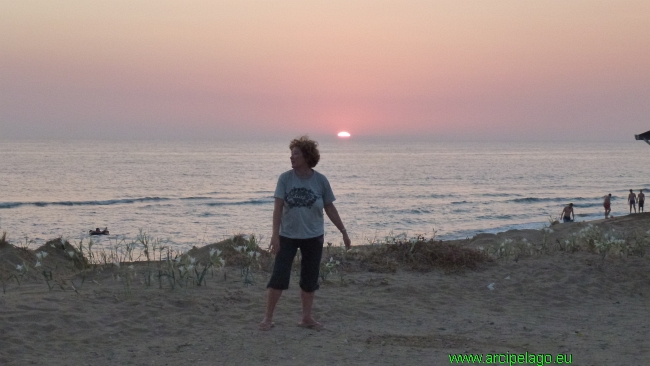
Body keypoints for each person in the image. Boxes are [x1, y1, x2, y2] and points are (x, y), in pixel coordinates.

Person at [259, 136, 351, 331]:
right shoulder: (285, 178)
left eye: (296, 154)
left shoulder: (320, 181)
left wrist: (343, 231)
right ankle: (267, 318)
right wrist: (274, 235)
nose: (291, 158)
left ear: (307, 156)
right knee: (279, 276)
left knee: (309, 279)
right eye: (291, 154)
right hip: (288, 236)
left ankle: (306, 318)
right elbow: (277, 209)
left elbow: (330, 207)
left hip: (313, 236)